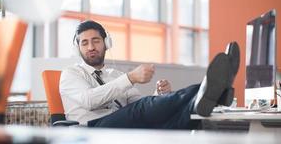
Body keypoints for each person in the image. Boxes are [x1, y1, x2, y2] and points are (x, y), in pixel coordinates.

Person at [60, 20, 240, 129]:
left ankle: (211, 96)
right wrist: (130, 78)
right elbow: (89, 101)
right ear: (78, 48)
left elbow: (139, 104)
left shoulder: (114, 74)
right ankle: (214, 90)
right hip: (91, 128)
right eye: (84, 43)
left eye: (95, 41)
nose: (90, 47)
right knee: (145, 108)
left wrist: (158, 96)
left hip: (122, 123)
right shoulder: (70, 74)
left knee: (176, 124)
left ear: (106, 43)